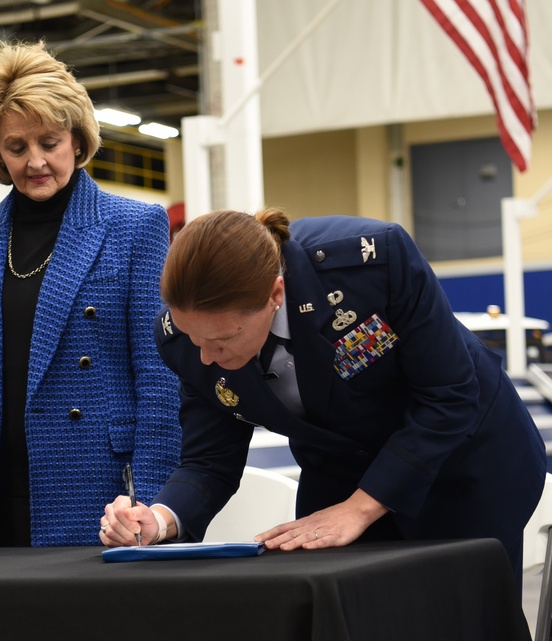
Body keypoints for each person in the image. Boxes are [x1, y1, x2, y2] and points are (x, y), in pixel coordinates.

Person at [100, 208, 546, 585]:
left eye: (224, 338)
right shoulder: (184, 340)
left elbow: (449, 395)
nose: (207, 356)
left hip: (463, 461)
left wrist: (361, 507)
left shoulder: (373, 263)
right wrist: (159, 519)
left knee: (462, 616)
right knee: (340, 612)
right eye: (195, 337)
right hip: (340, 473)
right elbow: (209, 459)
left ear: (275, 295)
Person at [0, 40, 181, 548]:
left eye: (50, 142)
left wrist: (148, 507)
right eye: (17, 147)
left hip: (103, 500)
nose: (35, 161)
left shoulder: (137, 226)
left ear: (77, 141)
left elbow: (158, 379)